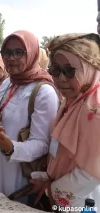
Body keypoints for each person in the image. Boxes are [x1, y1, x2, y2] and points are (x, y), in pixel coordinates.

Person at [29, 33, 100, 210]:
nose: (61, 78)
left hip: (83, 202)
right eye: (55, 70)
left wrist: (50, 189)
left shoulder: (94, 109)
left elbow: (91, 174)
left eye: (69, 71)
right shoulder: (72, 101)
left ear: (88, 68)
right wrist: (48, 176)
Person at [0, 30, 58, 204]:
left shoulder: (44, 91)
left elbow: (43, 144)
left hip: (20, 178)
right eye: (7, 52)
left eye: (19, 52)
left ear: (33, 53)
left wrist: (11, 147)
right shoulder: (7, 83)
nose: (11, 58)